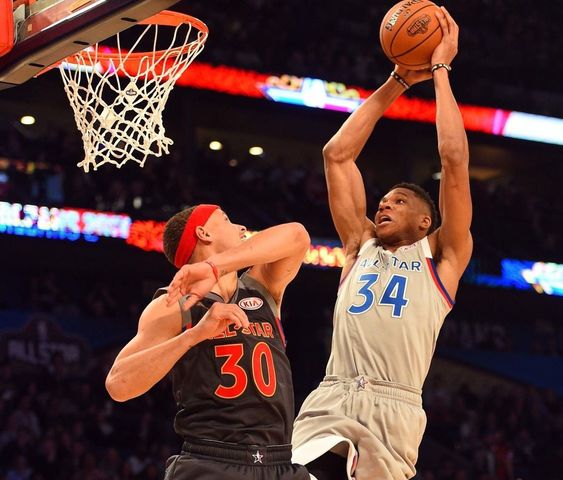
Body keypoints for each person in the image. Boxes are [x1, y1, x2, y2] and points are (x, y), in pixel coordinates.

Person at [291, 7, 472, 480]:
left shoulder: (442, 257)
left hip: (394, 405)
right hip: (331, 398)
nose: (382, 207)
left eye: (397, 201)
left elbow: (454, 161)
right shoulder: (359, 245)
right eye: (382, 202)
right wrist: (396, 82)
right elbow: (337, 154)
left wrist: (440, 71)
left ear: (425, 220)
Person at [105, 204, 312, 480]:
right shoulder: (172, 305)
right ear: (203, 233)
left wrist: (214, 268)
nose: (241, 228)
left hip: (280, 461)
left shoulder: (262, 287)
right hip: (212, 461)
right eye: (227, 219)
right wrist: (194, 335)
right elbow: (118, 385)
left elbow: (297, 235)